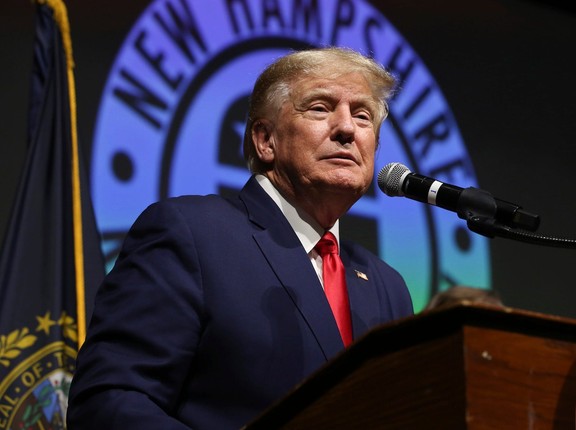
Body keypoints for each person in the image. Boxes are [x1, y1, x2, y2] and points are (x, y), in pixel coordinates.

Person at [67, 47, 413, 429]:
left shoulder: (386, 286)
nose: (347, 128)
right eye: (319, 108)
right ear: (266, 140)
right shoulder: (192, 233)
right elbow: (109, 401)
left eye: (362, 115)